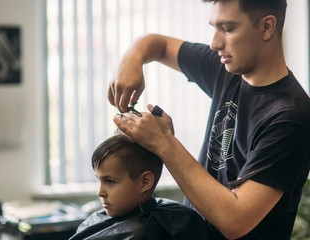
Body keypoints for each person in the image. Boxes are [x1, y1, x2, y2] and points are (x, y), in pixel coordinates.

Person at [108, 0, 310, 239]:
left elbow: (235, 220)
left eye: (227, 28)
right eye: (214, 27)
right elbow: (156, 44)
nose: (215, 43)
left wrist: (164, 144)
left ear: (267, 27)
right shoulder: (225, 70)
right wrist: (131, 60)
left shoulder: (290, 117)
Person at [69, 133, 210, 240]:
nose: (100, 192)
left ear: (145, 182)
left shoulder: (170, 226)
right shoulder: (95, 220)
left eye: (110, 181)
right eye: (98, 181)